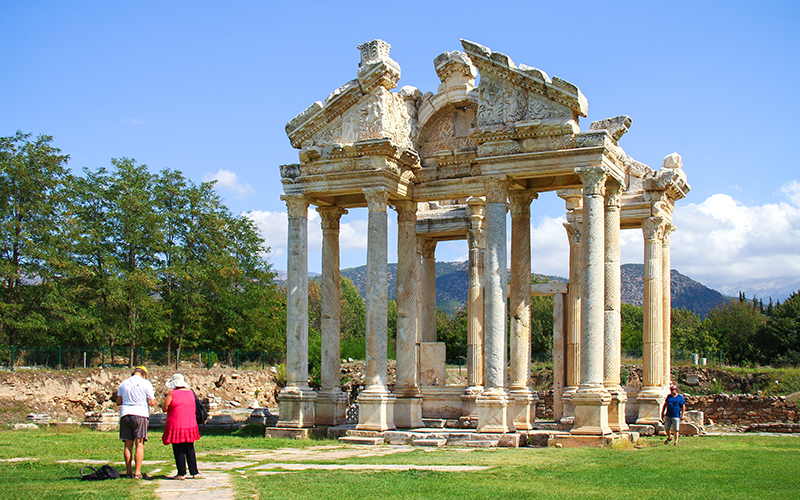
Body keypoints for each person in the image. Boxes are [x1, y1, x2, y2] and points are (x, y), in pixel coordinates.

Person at [116, 365, 157, 479]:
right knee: (139, 443)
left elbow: (118, 401)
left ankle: (128, 472)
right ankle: (137, 472)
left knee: (128, 445)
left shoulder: (124, 383)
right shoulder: (146, 383)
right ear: (144, 374)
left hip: (125, 414)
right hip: (140, 414)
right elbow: (152, 402)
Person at [162, 373, 201, 480]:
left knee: (178, 448)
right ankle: (194, 472)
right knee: (189, 448)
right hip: (190, 424)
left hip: (176, 424)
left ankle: (181, 473)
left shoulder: (172, 393)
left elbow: (164, 408)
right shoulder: (191, 393)